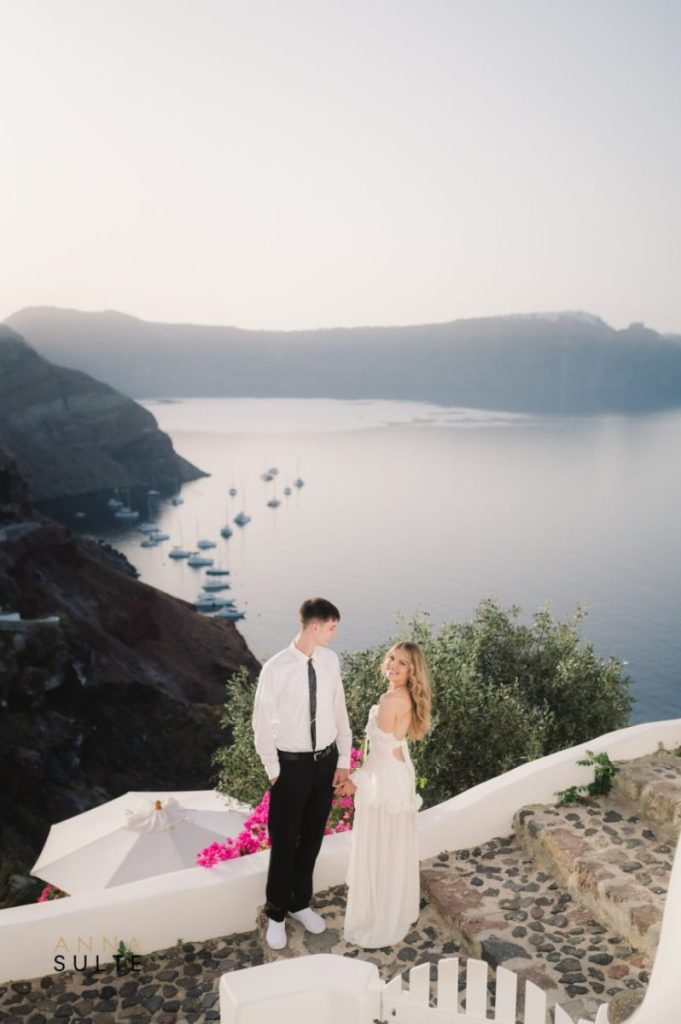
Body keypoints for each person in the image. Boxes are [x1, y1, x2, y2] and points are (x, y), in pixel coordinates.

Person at [252, 597, 352, 950]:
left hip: (325, 763)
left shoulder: (330, 661)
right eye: (331, 627)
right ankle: (276, 912)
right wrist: (274, 771)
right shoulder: (276, 668)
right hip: (290, 767)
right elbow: (261, 722)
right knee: (284, 842)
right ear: (314, 626)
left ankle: (299, 903)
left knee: (311, 838)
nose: (334, 633)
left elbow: (339, 710)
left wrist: (343, 760)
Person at [336, 641, 432, 948]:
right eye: (392, 658)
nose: (392, 665)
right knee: (392, 846)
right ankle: (391, 909)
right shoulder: (404, 697)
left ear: (412, 671)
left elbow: (377, 754)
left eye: (402, 663)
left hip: (384, 778)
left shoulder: (391, 699)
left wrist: (356, 781)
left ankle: (379, 916)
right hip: (397, 774)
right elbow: (394, 744)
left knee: (380, 846)